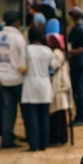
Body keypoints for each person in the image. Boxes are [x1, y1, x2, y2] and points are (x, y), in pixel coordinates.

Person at [0, 9, 26, 147]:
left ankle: (7, 139)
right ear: (16, 22)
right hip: (18, 78)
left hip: (2, 78)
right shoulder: (18, 37)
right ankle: (28, 136)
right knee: (24, 110)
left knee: (7, 109)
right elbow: (23, 58)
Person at [20, 21, 55, 152]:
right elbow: (54, 66)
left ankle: (33, 143)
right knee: (44, 115)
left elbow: (22, 66)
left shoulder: (27, 50)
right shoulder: (48, 50)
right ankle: (43, 143)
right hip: (44, 83)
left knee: (32, 117)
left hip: (30, 83)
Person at [66, 7, 83, 125]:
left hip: (79, 63)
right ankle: (81, 115)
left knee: (79, 91)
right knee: (78, 90)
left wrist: (71, 52)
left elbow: (82, 48)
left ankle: (81, 117)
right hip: (80, 62)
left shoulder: (79, 29)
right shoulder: (81, 27)